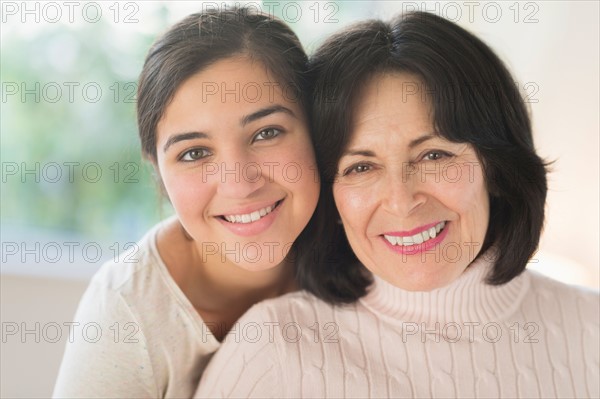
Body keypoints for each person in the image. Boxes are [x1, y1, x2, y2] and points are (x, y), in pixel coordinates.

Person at [195, 11, 599, 398]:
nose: (402, 202)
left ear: (496, 168)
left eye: (434, 155)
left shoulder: (590, 327)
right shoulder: (274, 347)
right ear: (330, 198)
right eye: (361, 167)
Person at [53, 7, 320, 398]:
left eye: (266, 132)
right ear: (158, 170)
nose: (240, 184)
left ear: (317, 128)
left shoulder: (372, 242)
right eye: (195, 154)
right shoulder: (127, 311)